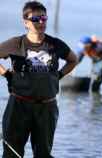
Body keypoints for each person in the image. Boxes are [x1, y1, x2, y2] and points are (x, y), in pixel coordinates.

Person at [0, 1, 78, 157]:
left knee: (43, 154)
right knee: (12, 154)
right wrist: (6, 74)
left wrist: (59, 75)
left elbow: (73, 60)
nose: (41, 22)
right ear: (26, 22)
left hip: (46, 108)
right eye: (36, 19)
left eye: (44, 18)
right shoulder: (16, 43)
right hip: (18, 107)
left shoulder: (55, 44)